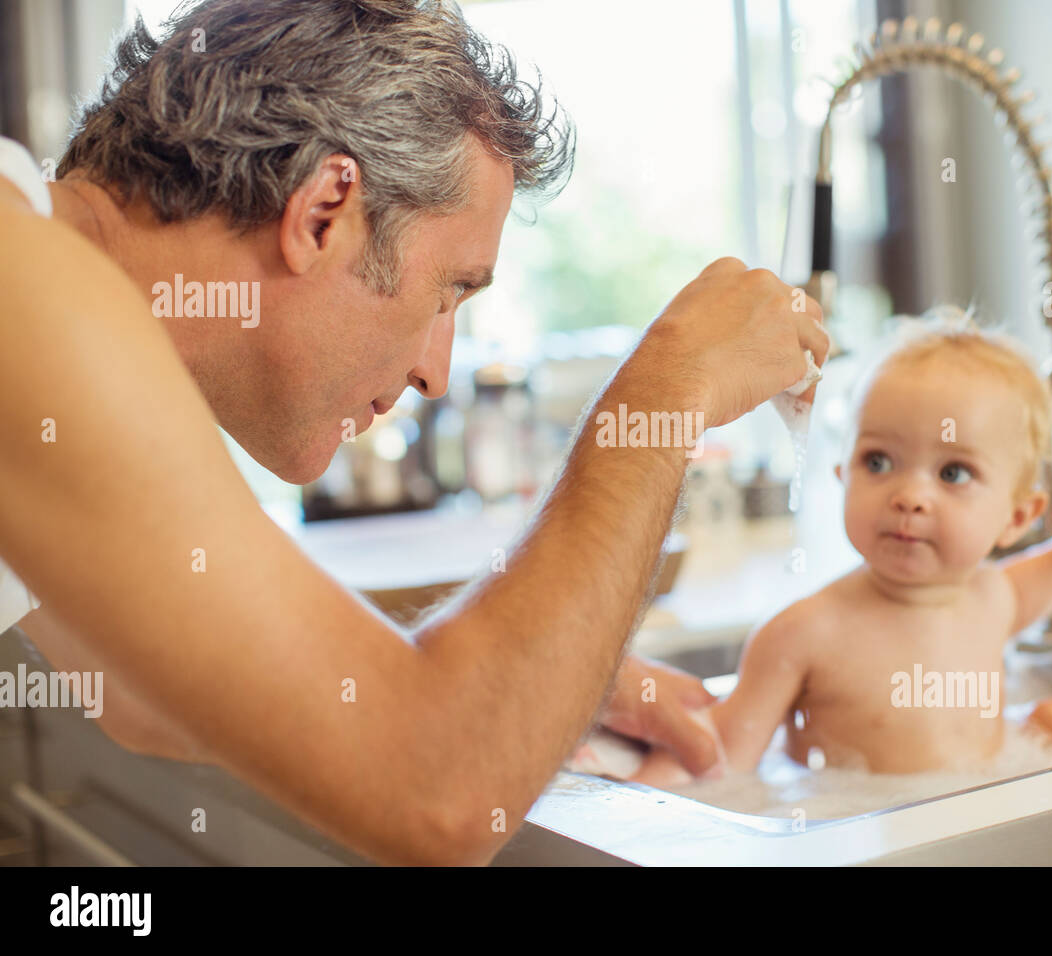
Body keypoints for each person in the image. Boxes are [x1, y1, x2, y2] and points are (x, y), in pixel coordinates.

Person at [0, 0, 828, 865]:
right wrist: (663, 394)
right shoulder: (28, 286)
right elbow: (439, 793)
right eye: (448, 293)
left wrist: (537, 686)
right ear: (324, 211)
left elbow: (150, 691)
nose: (437, 371)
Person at [629, 318, 1052, 787]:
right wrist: (636, 811)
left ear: (1016, 518)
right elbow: (720, 761)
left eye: (952, 472)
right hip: (860, 839)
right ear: (843, 475)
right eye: (879, 460)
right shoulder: (804, 632)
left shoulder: (995, 596)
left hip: (981, 827)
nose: (909, 495)